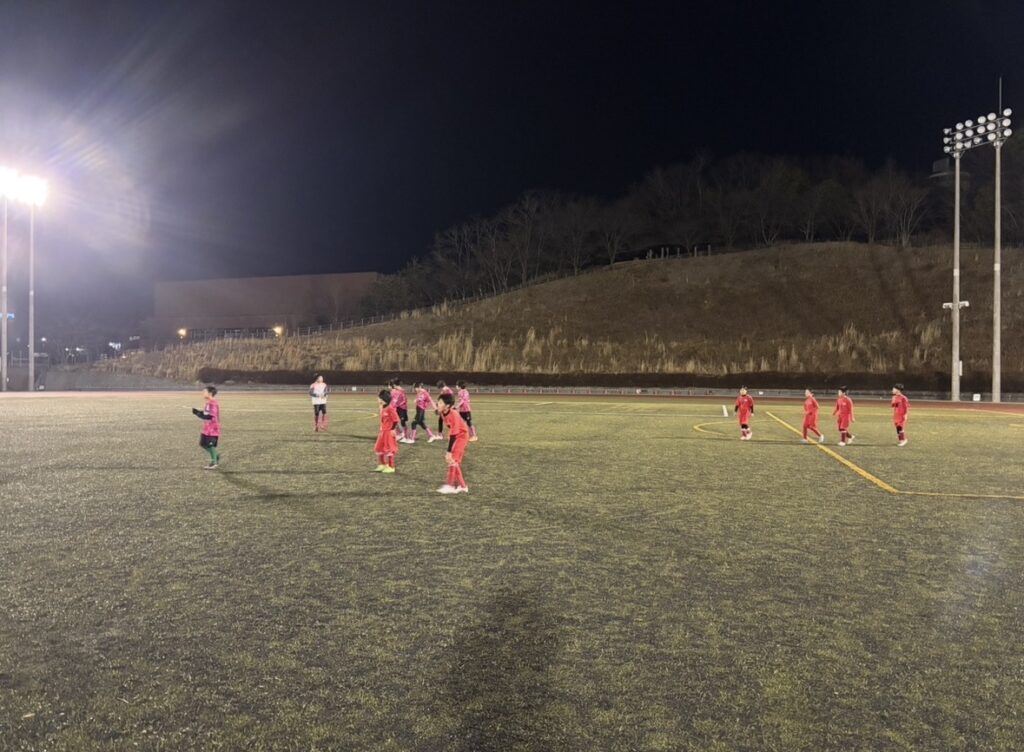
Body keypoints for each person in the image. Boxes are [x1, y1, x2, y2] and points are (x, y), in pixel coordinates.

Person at [437, 392, 469, 494]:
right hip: (455, 436)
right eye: (438, 402)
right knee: (454, 462)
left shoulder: (454, 414)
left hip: (461, 436)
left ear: (447, 406)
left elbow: (454, 434)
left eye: (440, 403)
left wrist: (449, 451)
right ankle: (463, 486)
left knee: (452, 460)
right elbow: (446, 423)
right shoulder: (443, 412)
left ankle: (450, 486)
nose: (438, 404)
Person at [191, 384, 221, 469]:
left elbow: (210, 416)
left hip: (212, 428)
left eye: (205, 392)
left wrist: (198, 414)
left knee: (210, 445)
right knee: (203, 444)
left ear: (210, 393)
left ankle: (214, 462)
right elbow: (206, 414)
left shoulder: (213, 403)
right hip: (207, 428)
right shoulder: (208, 403)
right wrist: (198, 412)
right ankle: (216, 454)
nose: (203, 393)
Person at [373, 389, 399, 474]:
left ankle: (391, 466)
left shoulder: (390, 408)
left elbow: (395, 420)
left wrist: (392, 429)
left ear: (383, 399)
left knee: (389, 449)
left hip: (388, 432)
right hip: (382, 431)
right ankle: (382, 464)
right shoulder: (383, 407)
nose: (378, 399)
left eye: (379, 398)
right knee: (379, 447)